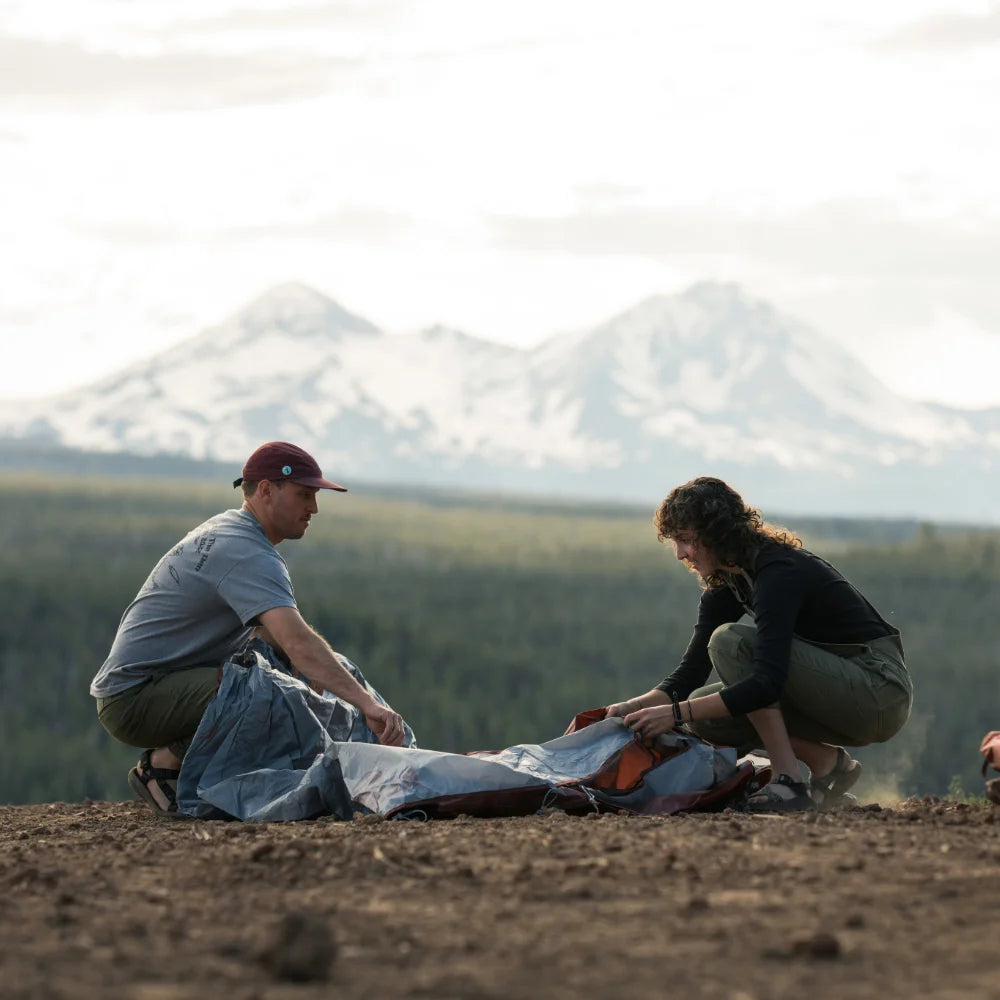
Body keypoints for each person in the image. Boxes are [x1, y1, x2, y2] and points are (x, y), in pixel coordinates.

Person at [91, 441, 407, 814]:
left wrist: (305, 669)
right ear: (266, 491)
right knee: (268, 693)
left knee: (303, 672)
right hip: (133, 698)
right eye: (305, 494)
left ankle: (395, 766)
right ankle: (165, 767)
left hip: (164, 683)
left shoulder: (236, 532)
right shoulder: (244, 549)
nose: (314, 507)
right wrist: (367, 704)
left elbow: (280, 639)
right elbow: (297, 640)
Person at [606, 477, 912, 813]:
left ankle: (788, 782)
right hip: (844, 692)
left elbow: (766, 683)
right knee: (703, 712)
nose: (680, 554)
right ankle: (827, 763)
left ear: (715, 532)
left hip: (878, 691)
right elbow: (691, 673)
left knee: (730, 643)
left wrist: (673, 714)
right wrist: (632, 708)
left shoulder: (777, 571)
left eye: (686, 540)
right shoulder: (729, 581)